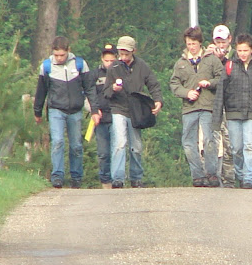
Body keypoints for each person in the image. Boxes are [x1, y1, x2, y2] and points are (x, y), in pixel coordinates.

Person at [212, 33, 252, 189]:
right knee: (236, 149)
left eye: (245, 50)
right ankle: (240, 175)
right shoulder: (229, 67)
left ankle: (249, 179)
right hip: (233, 112)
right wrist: (216, 119)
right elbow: (220, 93)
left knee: (249, 146)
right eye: (240, 50)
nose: (242, 54)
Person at [34, 36, 95, 189]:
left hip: (75, 110)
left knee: (76, 145)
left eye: (62, 55)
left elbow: (89, 88)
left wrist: (95, 108)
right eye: (56, 55)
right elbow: (41, 90)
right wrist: (38, 111)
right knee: (58, 142)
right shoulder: (47, 66)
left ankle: (76, 177)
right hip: (56, 109)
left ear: (68, 51)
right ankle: (57, 177)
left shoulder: (80, 64)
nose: (59, 58)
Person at [103, 35, 163, 188]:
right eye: (121, 54)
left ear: (133, 51)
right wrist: (113, 89)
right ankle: (117, 178)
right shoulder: (113, 68)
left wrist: (158, 101)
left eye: (127, 54)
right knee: (119, 142)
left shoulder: (142, 66)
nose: (123, 57)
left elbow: (153, 84)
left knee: (136, 145)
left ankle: (136, 178)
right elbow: (105, 92)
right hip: (118, 108)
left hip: (136, 110)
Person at [170, 26, 223, 187]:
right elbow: (174, 84)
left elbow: (222, 78)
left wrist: (210, 83)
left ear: (200, 43)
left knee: (209, 140)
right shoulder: (180, 63)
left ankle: (211, 173)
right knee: (188, 142)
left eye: (194, 43)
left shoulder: (212, 59)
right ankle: (197, 175)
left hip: (208, 105)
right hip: (189, 107)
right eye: (188, 44)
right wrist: (186, 93)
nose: (191, 47)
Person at [205, 25, 236, 188]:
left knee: (230, 144)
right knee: (212, 142)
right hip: (212, 103)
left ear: (229, 40)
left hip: (230, 104)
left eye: (223, 41)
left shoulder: (236, 56)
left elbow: (232, 78)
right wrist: (208, 57)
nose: (220, 45)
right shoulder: (208, 56)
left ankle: (229, 180)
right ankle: (212, 177)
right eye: (218, 41)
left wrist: (222, 60)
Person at [88, 44, 118, 189]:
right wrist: (94, 110)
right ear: (102, 59)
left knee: (117, 150)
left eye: (112, 60)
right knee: (103, 153)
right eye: (106, 60)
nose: (109, 63)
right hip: (100, 119)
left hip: (116, 117)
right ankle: (105, 182)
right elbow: (90, 95)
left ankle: (117, 180)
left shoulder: (120, 74)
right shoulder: (94, 75)